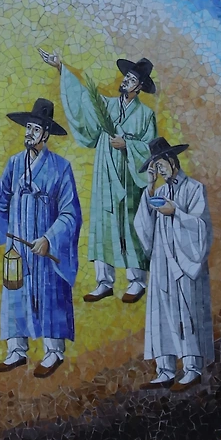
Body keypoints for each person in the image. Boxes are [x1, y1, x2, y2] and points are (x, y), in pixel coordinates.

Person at [39, 49, 157, 302]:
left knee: (130, 224)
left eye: (132, 79)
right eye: (126, 77)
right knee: (103, 223)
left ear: (140, 87)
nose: (125, 81)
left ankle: (137, 280)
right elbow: (85, 98)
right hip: (105, 174)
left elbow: (151, 149)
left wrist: (128, 145)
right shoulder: (108, 106)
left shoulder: (146, 115)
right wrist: (61, 68)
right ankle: (104, 281)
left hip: (129, 178)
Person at [0, 96, 81, 376]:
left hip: (44, 248)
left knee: (51, 292)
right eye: (28, 128)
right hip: (19, 247)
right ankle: (16, 350)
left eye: (36, 129)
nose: (30, 133)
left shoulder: (61, 168)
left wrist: (49, 238)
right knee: (16, 292)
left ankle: (53, 350)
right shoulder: (14, 164)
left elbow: (70, 213)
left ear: (46, 135)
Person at [133, 137, 214, 389]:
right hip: (162, 261)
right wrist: (149, 186)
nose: (159, 170)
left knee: (187, 311)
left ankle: (191, 367)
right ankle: (165, 369)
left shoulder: (194, 189)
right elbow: (143, 225)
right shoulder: (159, 192)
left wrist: (176, 212)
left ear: (172, 160)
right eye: (155, 167)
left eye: (161, 164)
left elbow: (201, 227)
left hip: (185, 263)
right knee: (162, 312)